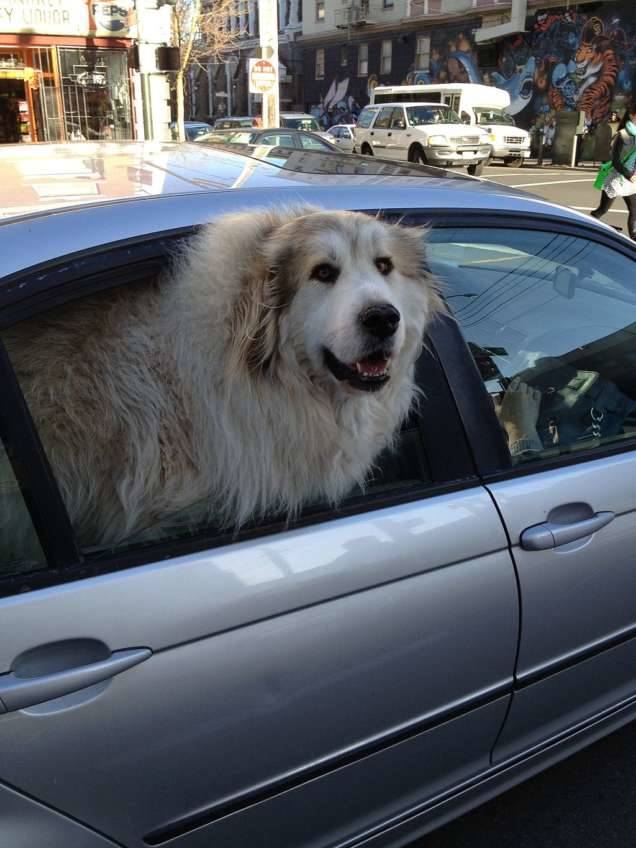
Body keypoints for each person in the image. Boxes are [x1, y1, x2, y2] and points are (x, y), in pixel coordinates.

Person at [591, 106, 636, 240]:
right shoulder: (625, 135)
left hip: (631, 180)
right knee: (602, 210)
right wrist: (629, 175)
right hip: (618, 179)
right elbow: (617, 161)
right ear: (632, 116)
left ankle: (634, 237)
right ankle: (590, 223)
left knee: (634, 210)